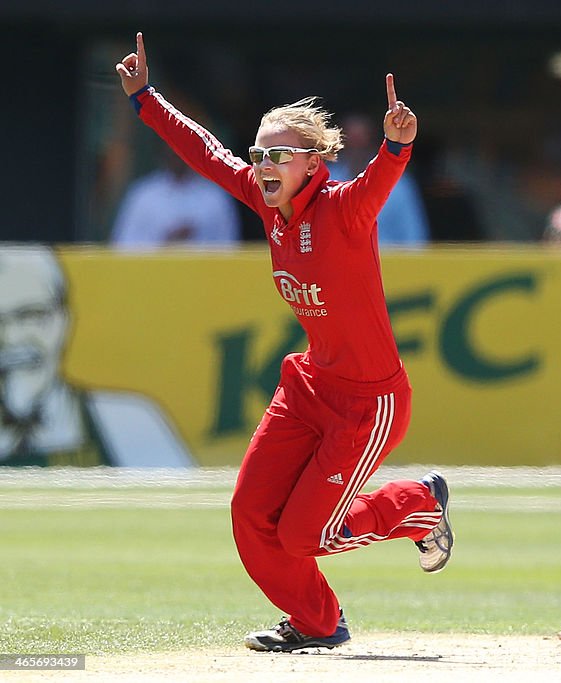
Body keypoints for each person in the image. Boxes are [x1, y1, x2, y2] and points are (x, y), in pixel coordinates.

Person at [115, 33, 454, 652]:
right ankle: (317, 623)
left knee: (305, 535)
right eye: (259, 154)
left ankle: (417, 504)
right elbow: (206, 152)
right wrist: (145, 98)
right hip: (309, 387)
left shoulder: (344, 208)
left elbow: (379, 181)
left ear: (312, 162)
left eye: (278, 155)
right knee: (251, 517)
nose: (262, 165)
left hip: (367, 402)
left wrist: (398, 145)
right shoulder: (266, 203)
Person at [0, 246, 193, 467]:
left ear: (64, 321)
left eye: (30, 315)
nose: (10, 338)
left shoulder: (126, 421)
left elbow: (172, 491)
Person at [110, 145, 242, 250]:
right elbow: (122, 247)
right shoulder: (143, 195)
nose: (177, 154)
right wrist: (164, 244)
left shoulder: (215, 197)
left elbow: (230, 248)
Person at [327, 114, 429, 246]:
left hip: (390, 261)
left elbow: (415, 238)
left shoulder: (401, 186)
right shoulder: (327, 180)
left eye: (361, 143)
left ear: (372, 143)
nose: (356, 150)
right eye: (351, 143)